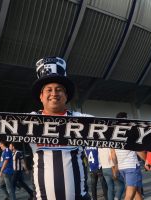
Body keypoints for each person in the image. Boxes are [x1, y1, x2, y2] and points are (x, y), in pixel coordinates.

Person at [30, 56, 91, 199]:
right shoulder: (29, 121)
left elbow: (116, 130)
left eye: (59, 89)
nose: (54, 93)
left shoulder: (82, 120)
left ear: (66, 95)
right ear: (41, 96)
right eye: (49, 90)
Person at [110, 112, 145, 200]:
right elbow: (138, 150)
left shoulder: (114, 135)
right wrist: (147, 160)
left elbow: (113, 154)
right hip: (132, 167)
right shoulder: (130, 133)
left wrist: (116, 167)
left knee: (137, 192)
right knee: (130, 196)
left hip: (122, 168)